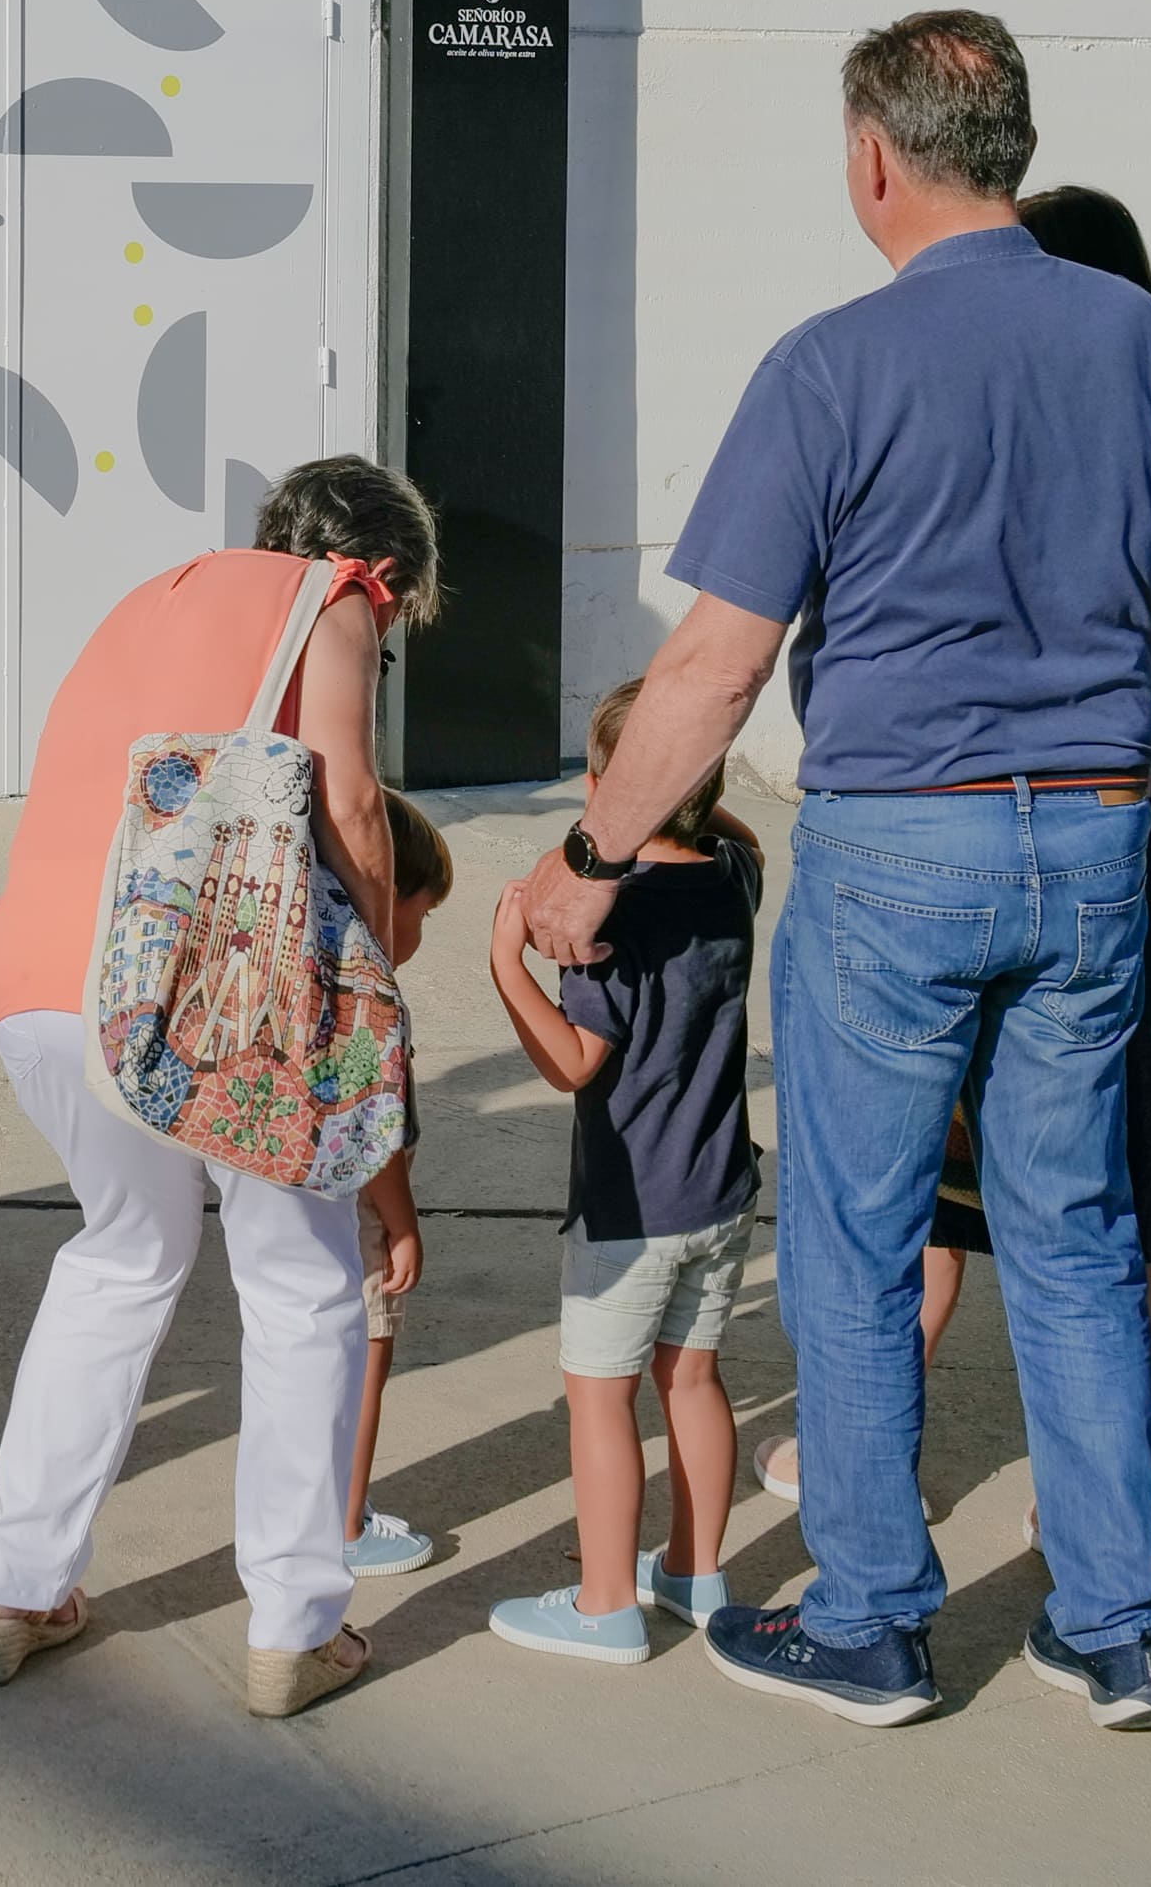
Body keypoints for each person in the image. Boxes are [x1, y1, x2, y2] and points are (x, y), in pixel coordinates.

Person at [520, 9, 1151, 1737]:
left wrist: (595, 855)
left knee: (853, 1234)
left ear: (873, 157)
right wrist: (1118, 792)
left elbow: (712, 669)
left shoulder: (830, 362)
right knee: (1075, 1234)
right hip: (1090, 836)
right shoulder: (1141, 338)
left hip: (902, 842)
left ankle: (876, 1618)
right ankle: (1121, 1627)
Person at [759, 187, 1151, 1510]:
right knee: (1103, 1203)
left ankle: (866, 1478)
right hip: (1133, 814)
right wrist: (1136, 786)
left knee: (915, 1181)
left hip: (977, 814)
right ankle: (1089, 1502)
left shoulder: (940, 405)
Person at [0, 458, 443, 1718]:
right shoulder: (334, 594)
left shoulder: (148, 598)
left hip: (42, 984)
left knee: (120, 1258)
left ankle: (12, 1587)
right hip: (196, 983)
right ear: (381, 576)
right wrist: (375, 974)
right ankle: (293, 1624)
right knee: (298, 1284)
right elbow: (346, 796)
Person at [481, 680, 764, 1666]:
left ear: (605, 787)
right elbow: (731, 829)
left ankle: (605, 1605)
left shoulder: (605, 924)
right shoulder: (733, 871)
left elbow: (573, 1063)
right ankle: (693, 1570)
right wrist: (676, 779)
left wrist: (508, 964)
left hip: (630, 1205)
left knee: (600, 1397)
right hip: (721, 1191)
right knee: (692, 1378)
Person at [342, 789, 451, 1579]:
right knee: (365, 1364)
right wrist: (404, 1225)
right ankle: (344, 1524)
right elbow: (376, 1130)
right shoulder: (376, 994)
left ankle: (304, 1509)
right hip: (363, 1217)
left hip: (303, 1209)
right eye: (423, 910)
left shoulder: (321, 973)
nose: (418, 931)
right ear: (387, 894)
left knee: (310, 1363)